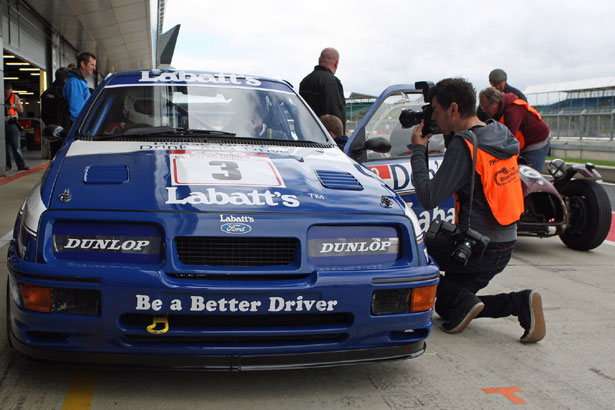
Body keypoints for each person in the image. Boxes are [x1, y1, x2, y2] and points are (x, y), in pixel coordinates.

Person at [409, 77, 545, 343]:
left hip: (474, 250)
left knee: (413, 249)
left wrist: (418, 150)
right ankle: (519, 302)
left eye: (436, 110)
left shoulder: (465, 145)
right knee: (449, 308)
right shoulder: (499, 133)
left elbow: (428, 197)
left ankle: (463, 298)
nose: (433, 116)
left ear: (453, 109)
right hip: (505, 246)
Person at [479, 87, 551, 171]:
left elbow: (509, 141)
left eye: (486, 107)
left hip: (537, 140)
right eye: (482, 107)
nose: (484, 110)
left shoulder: (513, 112)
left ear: (496, 102)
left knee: (529, 174)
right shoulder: (499, 110)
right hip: (526, 141)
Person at [299, 48, 346, 133]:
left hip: (306, 136)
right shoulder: (332, 82)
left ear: (319, 60)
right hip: (326, 138)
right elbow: (335, 114)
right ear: (336, 63)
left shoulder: (305, 81)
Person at [63, 52, 96, 129]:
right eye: (92, 65)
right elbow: (76, 112)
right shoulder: (75, 82)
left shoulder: (81, 81)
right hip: (78, 128)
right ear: (83, 64)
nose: (94, 68)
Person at [41, 67, 68, 157]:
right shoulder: (66, 92)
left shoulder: (46, 93)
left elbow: (43, 114)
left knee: (54, 156)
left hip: (52, 130)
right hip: (66, 131)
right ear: (66, 78)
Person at [4, 82, 28, 171]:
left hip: (13, 123)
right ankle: (7, 165)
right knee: (4, 146)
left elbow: (21, 110)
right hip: (3, 124)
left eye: (9, 93)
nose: (7, 95)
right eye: (6, 93)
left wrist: (12, 106)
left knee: (16, 145)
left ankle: (21, 165)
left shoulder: (15, 97)